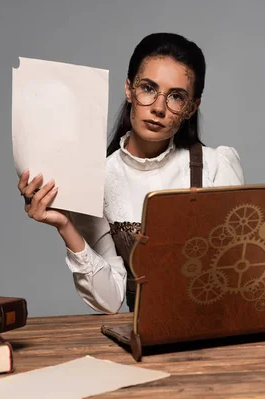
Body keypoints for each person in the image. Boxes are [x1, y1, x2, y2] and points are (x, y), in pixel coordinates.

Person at [17, 32, 245, 314]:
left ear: (191, 108)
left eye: (176, 96)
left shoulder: (216, 167)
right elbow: (111, 300)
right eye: (148, 88)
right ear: (129, 89)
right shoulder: (98, 181)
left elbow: (240, 275)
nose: (159, 108)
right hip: (144, 342)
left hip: (218, 335)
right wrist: (66, 225)